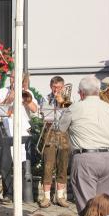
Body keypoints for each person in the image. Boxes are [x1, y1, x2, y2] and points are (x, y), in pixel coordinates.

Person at [58, 76, 109, 216]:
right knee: (105, 205)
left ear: (81, 93)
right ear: (98, 91)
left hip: (86, 158)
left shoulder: (75, 108)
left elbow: (61, 128)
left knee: (87, 206)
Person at [0, 72, 38, 204]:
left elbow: (35, 109)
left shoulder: (28, 92)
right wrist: (9, 99)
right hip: (7, 132)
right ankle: (9, 193)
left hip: (23, 132)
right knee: (6, 165)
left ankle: (25, 194)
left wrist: (25, 99)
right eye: (12, 77)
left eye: (15, 77)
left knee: (24, 164)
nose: (13, 79)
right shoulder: (1, 92)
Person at [39, 76, 70, 208]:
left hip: (63, 132)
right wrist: (54, 103)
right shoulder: (45, 98)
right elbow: (45, 115)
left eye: (59, 87)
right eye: (54, 87)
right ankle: (46, 198)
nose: (56, 89)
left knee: (62, 164)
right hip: (50, 131)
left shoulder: (69, 100)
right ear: (50, 86)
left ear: (63, 87)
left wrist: (62, 103)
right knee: (48, 165)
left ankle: (61, 196)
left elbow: (70, 115)